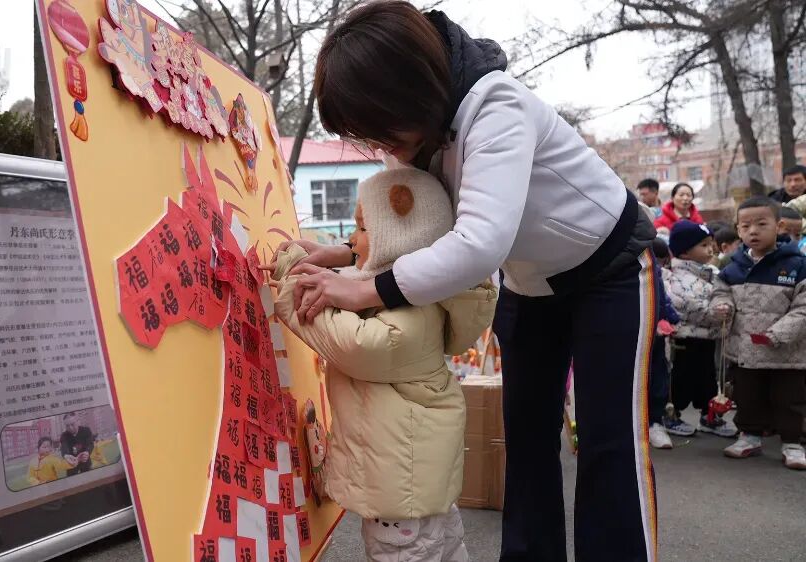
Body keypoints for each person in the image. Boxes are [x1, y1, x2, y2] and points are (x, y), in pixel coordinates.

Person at [277, 2, 659, 559]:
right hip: (530, 287)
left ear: (409, 89)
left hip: (610, 270)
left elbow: (479, 243)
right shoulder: (422, 134)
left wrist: (362, 288)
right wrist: (341, 255)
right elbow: (412, 229)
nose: (379, 146)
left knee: (609, 444)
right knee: (526, 440)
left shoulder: (495, 106)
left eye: (379, 126)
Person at [269, 167, 497, 562]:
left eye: (362, 228)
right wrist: (326, 270)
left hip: (400, 485)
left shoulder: (413, 311)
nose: (352, 241)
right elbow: (357, 284)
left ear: (398, 240)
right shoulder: (408, 291)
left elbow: (357, 344)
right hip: (413, 477)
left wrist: (294, 285)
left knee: (401, 553)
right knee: (440, 547)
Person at [710, 197, 806, 470]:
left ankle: (792, 443)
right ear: (738, 230)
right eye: (746, 226)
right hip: (746, 351)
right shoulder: (733, 267)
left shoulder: (798, 265)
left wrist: (778, 333)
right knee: (748, 396)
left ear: (779, 226)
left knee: (789, 399)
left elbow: (803, 307)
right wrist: (722, 306)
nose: (753, 231)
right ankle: (749, 436)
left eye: (761, 224)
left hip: (788, 353)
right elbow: (720, 293)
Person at [664, 221, 734, 438]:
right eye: (703, 245)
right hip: (686, 339)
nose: (710, 249)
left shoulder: (711, 273)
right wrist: (716, 312)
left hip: (708, 338)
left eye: (711, 244)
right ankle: (671, 414)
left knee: (708, 380)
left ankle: (709, 415)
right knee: (682, 380)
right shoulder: (676, 277)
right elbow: (687, 305)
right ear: (685, 252)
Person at [649, 238, 682, 449]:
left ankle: (654, 422)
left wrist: (670, 318)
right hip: (622, 329)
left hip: (655, 334)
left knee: (657, 378)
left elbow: (662, 297)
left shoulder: (653, 267)